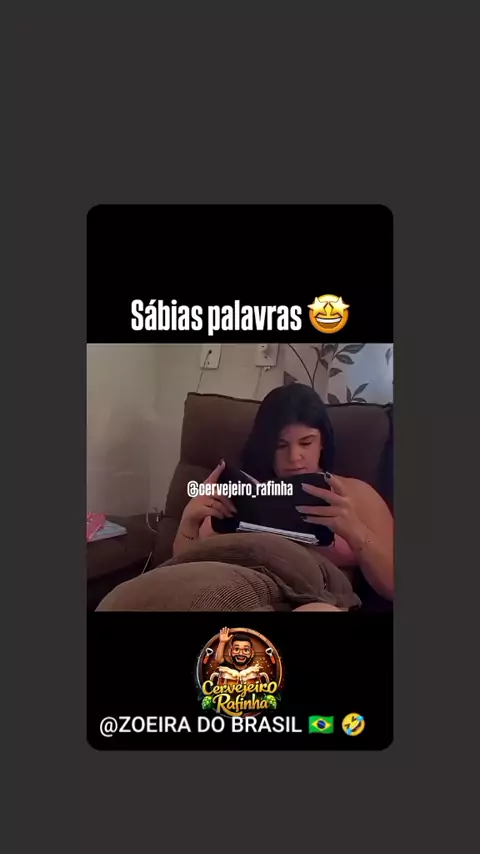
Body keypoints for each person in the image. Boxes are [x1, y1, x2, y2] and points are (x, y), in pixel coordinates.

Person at [172, 383, 394, 602]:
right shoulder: (244, 493)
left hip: (315, 599)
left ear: (322, 442)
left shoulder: (356, 495)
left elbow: (394, 586)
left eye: (306, 443)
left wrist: (356, 532)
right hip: (233, 589)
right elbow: (184, 572)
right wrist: (188, 522)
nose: (294, 457)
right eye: (281, 446)